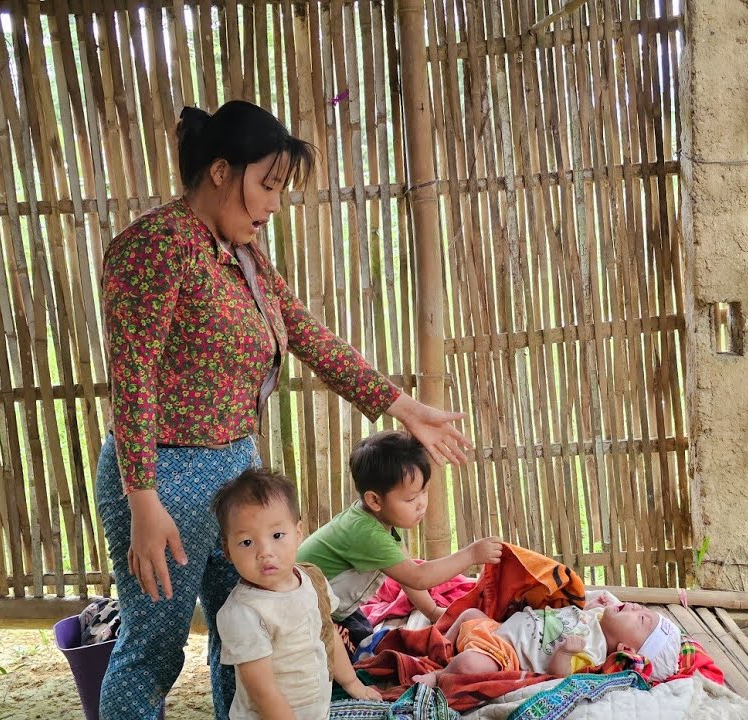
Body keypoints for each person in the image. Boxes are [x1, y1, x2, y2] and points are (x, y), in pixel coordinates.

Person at [95, 100, 472, 719]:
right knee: (154, 650)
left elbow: (308, 334)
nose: (274, 205)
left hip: (236, 473)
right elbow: (131, 379)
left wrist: (400, 404)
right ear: (221, 171)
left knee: (242, 642)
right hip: (163, 478)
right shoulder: (155, 249)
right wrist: (142, 499)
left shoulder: (242, 255)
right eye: (267, 185)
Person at [296, 430, 503, 650]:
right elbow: (418, 577)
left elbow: (408, 573)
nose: (422, 503)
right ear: (375, 500)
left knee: (368, 641)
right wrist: (471, 555)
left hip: (336, 609)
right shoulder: (366, 533)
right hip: (302, 615)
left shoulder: (379, 520)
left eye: (424, 491)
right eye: (411, 498)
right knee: (359, 656)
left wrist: (432, 612)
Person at [212, 467, 381, 718]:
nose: (265, 552)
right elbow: (263, 692)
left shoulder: (311, 579)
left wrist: (352, 683)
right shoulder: (242, 613)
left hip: (315, 709)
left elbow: (329, 633)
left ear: (298, 533)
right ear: (228, 551)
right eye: (247, 542)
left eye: (277, 535)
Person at [412, 595, 684, 686]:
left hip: (504, 653)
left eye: (641, 619)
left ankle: (438, 677)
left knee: (469, 665)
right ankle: (437, 648)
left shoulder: (594, 654)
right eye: (642, 609)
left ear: (626, 649)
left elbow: (559, 676)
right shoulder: (599, 616)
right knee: (469, 613)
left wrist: (565, 653)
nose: (636, 607)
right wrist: (591, 605)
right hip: (497, 628)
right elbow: (574, 615)